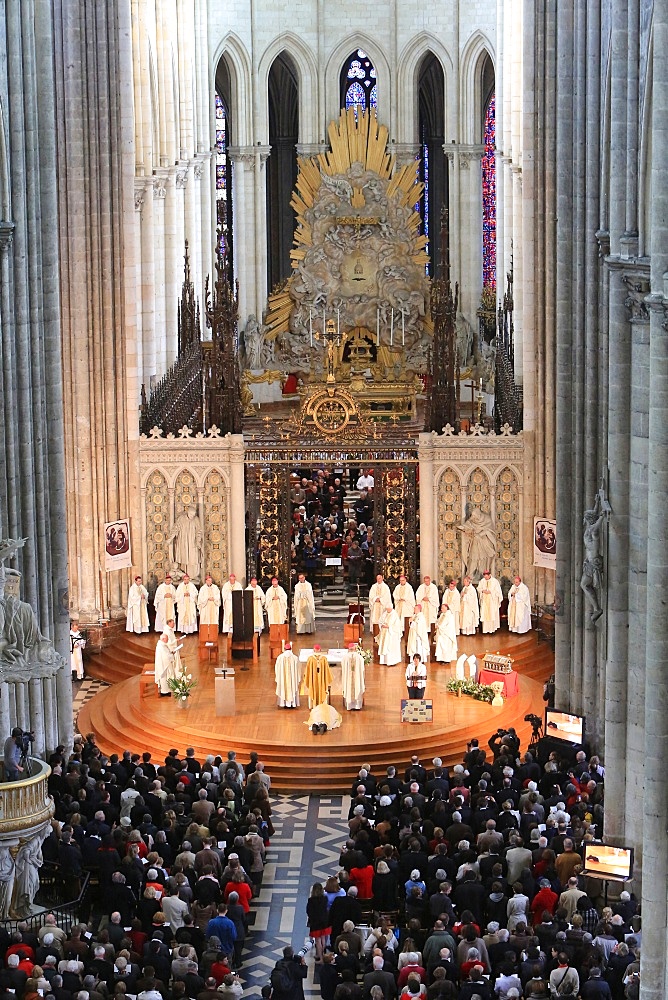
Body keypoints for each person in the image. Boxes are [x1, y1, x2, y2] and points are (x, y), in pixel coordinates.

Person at [457, 508, 496, 582]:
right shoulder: (472, 520)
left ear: (479, 515)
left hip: (484, 543)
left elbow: (490, 531)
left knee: (482, 560)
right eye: (473, 517)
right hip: (475, 542)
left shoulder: (487, 519)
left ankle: (482, 576)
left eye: (475, 517)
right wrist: (462, 528)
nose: (474, 519)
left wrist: (480, 534)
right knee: (473, 558)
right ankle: (470, 576)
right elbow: (467, 525)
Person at [166, 506, 204, 581]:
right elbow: (176, 528)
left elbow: (199, 531)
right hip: (183, 542)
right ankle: (184, 575)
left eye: (193, 515)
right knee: (184, 558)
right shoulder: (181, 518)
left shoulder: (196, 519)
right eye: (191, 515)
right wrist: (170, 538)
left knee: (193, 558)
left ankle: (193, 575)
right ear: (188, 513)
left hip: (193, 542)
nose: (192, 516)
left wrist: (198, 541)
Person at [274, 643, 300, 708]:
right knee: (292, 687)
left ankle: (283, 703)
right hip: (292, 679)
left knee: (283, 688)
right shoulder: (295, 658)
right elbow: (298, 669)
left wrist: (278, 677)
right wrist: (298, 677)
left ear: (284, 649)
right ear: (291, 649)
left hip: (283, 678)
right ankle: (292, 704)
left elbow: (277, 668)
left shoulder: (280, 657)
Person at [341, 642, 365, 710]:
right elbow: (362, 669)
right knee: (357, 687)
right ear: (355, 649)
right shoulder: (359, 657)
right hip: (357, 678)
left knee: (349, 688)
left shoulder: (345, 657)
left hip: (348, 678)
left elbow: (343, 667)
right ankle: (357, 706)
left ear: (348, 649)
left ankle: (349, 706)